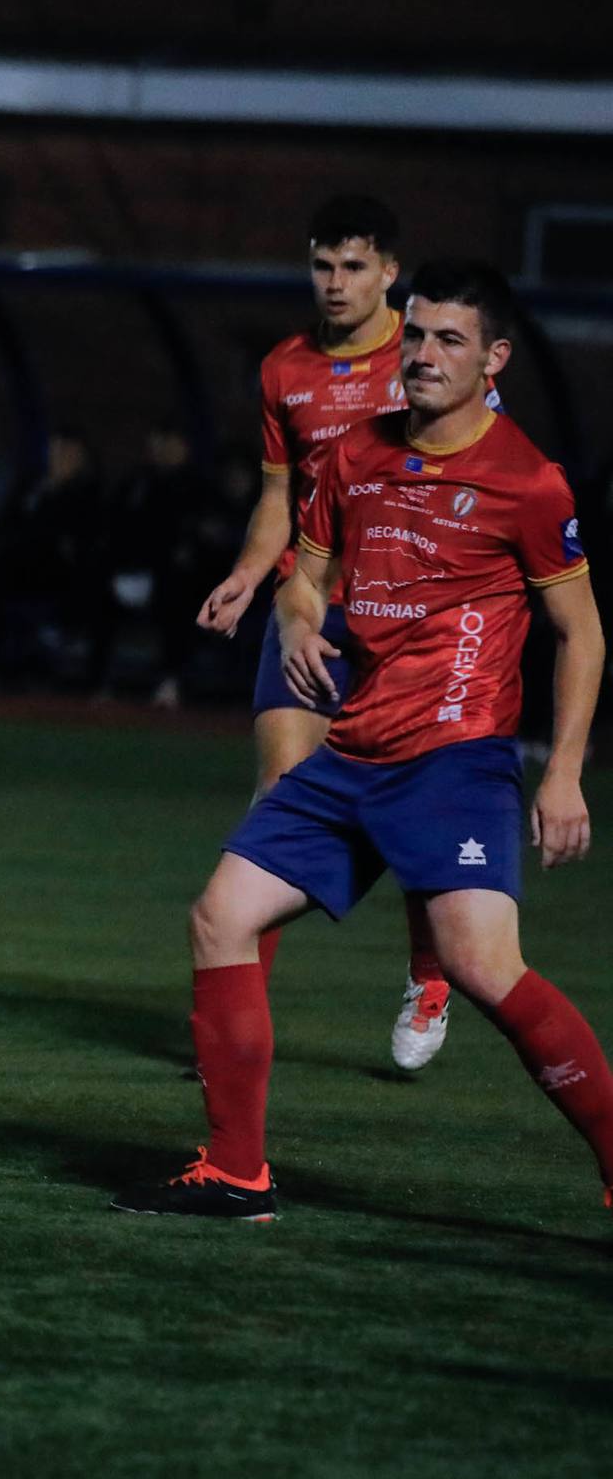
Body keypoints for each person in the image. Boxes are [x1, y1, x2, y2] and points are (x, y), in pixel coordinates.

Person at [119, 264, 605, 1221]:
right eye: (416, 336)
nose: (422, 355)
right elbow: (305, 575)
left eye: (449, 341)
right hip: (350, 752)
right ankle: (234, 1172)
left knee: (480, 967)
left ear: (493, 358)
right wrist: (297, 622)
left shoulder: (527, 483)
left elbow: (581, 632)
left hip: (455, 760)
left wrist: (563, 773)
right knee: (221, 916)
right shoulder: (352, 456)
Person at [192, 196, 458, 1069]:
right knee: (277, 801)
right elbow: (279, 495)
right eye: (321, 265)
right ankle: (237, 1015)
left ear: (389, 273)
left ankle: (429, 973)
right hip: (305, 604)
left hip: (405, 620)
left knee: (409, 808)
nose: (334, 283)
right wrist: (244, 573)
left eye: (352, 266)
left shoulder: (424, 357)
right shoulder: (284, 369)